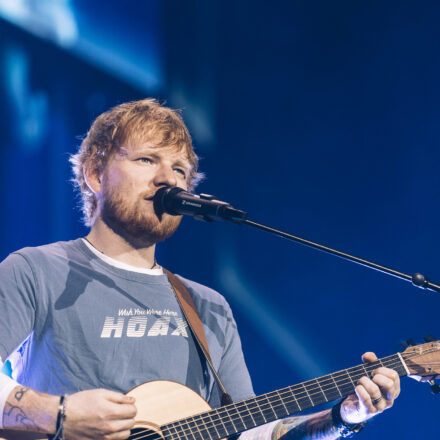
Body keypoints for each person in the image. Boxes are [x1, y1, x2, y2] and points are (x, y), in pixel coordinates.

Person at [0, 99, 400, 440]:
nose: (166, 179)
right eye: (146, 159)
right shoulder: (35, 270)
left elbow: (248, 432)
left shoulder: (208, 307)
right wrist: (59, 414)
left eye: (180, 170)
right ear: (94, 173)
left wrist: (341, 418)